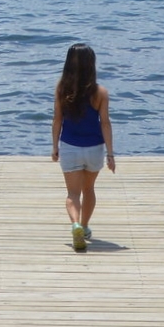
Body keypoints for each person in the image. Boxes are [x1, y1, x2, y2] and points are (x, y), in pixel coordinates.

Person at [50, 42, 115, 253]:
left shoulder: (61, 90)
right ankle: (85, 227)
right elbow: (105, 123)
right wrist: (111, 154)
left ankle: (75, 224)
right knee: (88, 189)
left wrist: (54, 146)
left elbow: (57, 120)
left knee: (72, 194)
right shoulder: (100, 92)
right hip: (94, 148)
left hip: (70, 146)